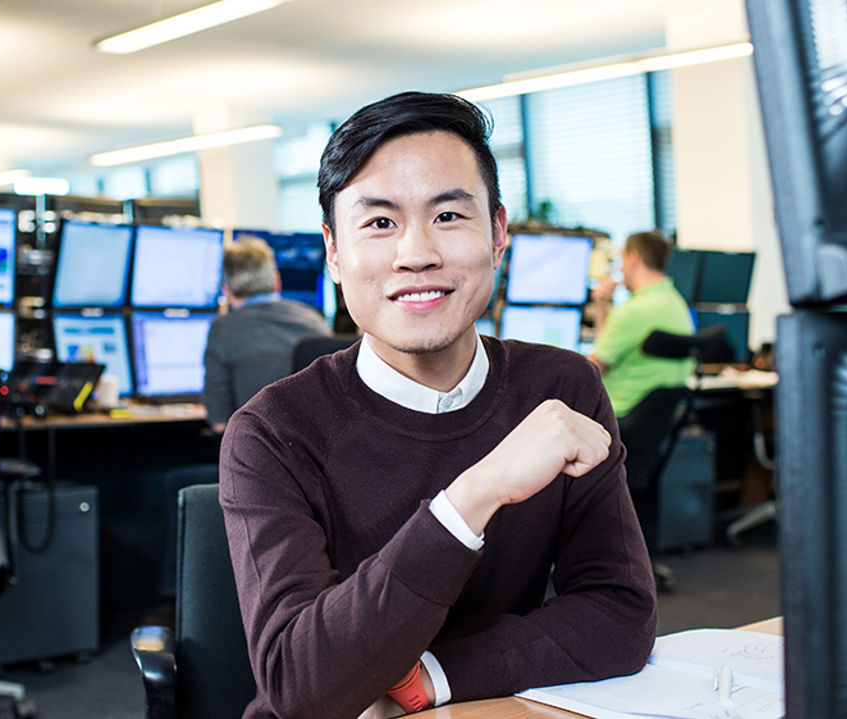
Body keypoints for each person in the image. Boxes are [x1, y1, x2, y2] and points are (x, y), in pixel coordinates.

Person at [219, 92, 657, 719]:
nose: (417, 253)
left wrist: (429, 678)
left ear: (498, 232)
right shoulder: (272, 432)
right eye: (379, 222)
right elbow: (301, 685)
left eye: (449, 217)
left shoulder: (562, 389)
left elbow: (621, 611)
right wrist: (474, 497)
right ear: (335, 253)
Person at [202, 236, 331, 432]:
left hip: (257, 453)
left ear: (226, 289)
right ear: (276, 280)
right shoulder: (313, 320)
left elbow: (219, 422)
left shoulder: (223, 328)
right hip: (317, 452)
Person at [588, 231, 694, 417]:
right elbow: (607, 346)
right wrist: (601, 305)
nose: (621, 270)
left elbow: (590, 371)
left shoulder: (633, 312)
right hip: (649, 423)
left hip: (614, 419)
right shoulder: (676, 303)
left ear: (633, 258)